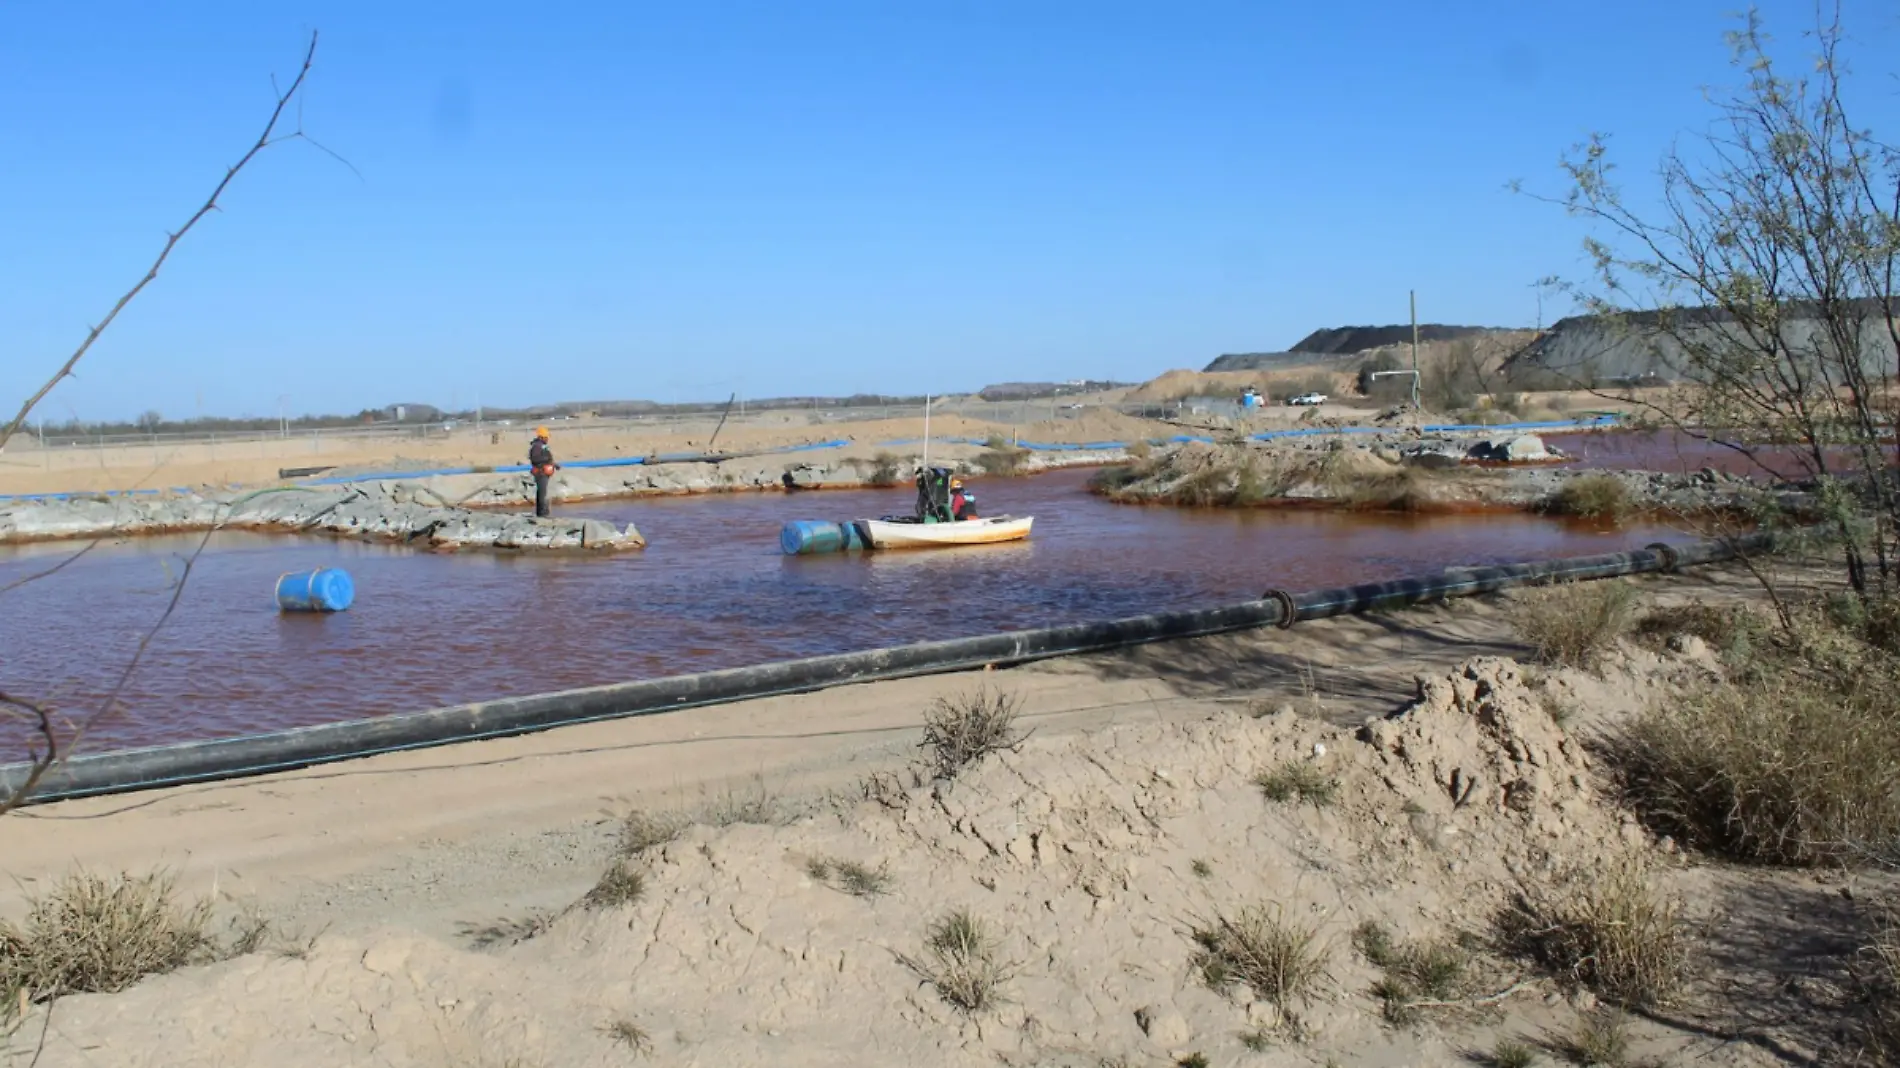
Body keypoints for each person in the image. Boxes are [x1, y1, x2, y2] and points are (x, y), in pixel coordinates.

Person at [528, 427, 559, 517]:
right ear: (541, 437)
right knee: (542, 494)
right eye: (546, 437)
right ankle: (542, 513)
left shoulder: (543, 446)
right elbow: (535, 459)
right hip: (540, 473)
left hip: (545, 472)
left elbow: (548, 458)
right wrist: (547, 460)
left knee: (542, 493)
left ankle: (542, 512)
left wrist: (554, 464)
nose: (547, 439)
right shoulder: (536, 446)